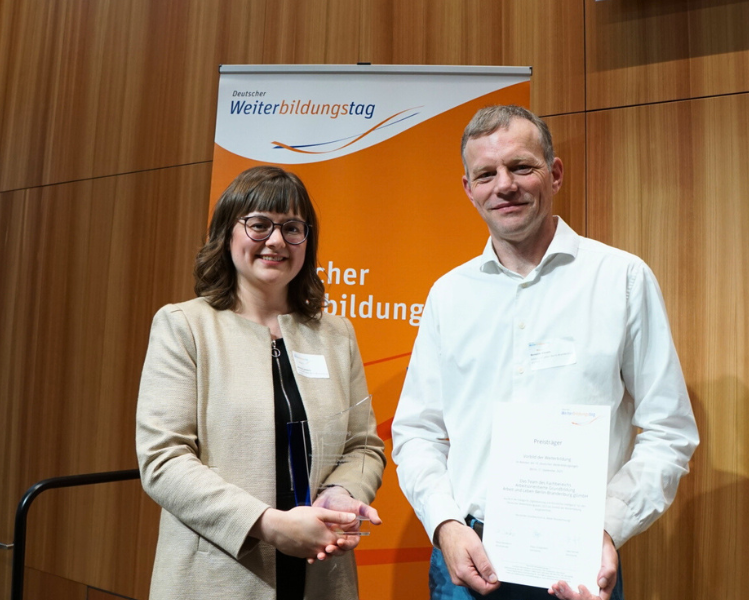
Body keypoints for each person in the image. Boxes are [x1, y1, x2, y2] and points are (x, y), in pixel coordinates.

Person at [391, 105, 699, 600]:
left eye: (521, 167)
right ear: (468, 189)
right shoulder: (449, 295)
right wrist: (445, 524)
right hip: (469, 556)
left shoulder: (620, 279)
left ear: (553, 174)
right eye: (486, 174)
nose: (504, 185)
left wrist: (608, 528)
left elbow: (669, 431)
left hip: (579, 561)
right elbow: (417, 432)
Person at [136, 165, 386, 600]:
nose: (275, 241)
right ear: (227, 234)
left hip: (322, 573)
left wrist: (340, 494)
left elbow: (363, 446)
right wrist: (268, 524)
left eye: (292, 228)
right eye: (259, 224)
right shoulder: (185, 327)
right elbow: (163, 459)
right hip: (219, 575)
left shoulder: (336, 334)